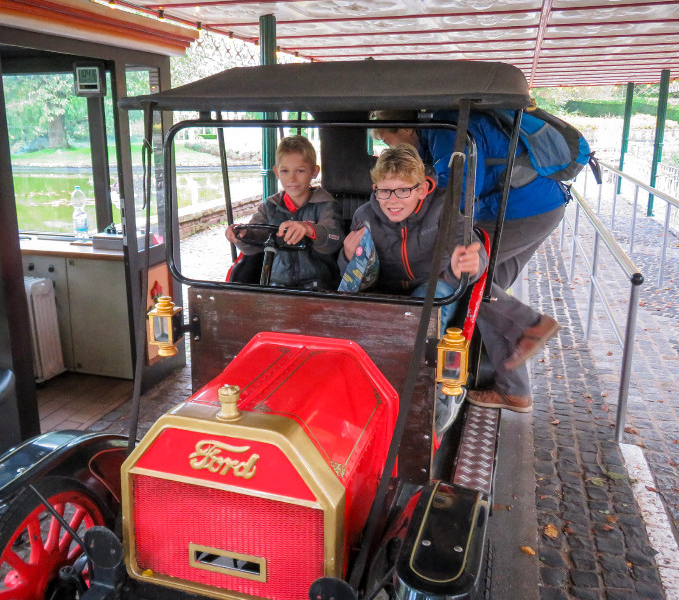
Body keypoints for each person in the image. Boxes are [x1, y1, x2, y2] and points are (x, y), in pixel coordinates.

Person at [371, 110, 563, 413]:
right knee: (485, 289)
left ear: (406, 129)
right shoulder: (435, 137)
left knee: (463, 273)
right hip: (535, 205)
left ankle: (530, 324)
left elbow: (462, 187)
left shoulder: (447, 130)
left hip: (520, 210)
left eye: (388, 140)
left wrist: (430, 222)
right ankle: (514, 390)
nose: (389, 148)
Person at [338, 144, 485, 335]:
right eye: (384, 191)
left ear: (422, 190)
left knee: (424, 311)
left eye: (403, 190)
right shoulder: (364, 217)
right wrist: (348, 258)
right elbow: (353, 279)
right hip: (385, 289)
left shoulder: (442, 209)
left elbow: (473, 250)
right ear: (375, 190)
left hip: (435, 282)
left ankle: (421, 352)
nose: (392, 200)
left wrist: (468, 264)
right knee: (349, 318)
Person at [225, 135, 343, 290]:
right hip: (277, 285)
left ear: (314, 172)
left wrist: (309, 229)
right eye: (285, 171)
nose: (292, 179)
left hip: (318, 286)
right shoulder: (270, 207)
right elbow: (252, 245)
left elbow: (334, 240)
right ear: (277, 172)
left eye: (300, 171)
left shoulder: (326, 205)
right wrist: (242, 235)